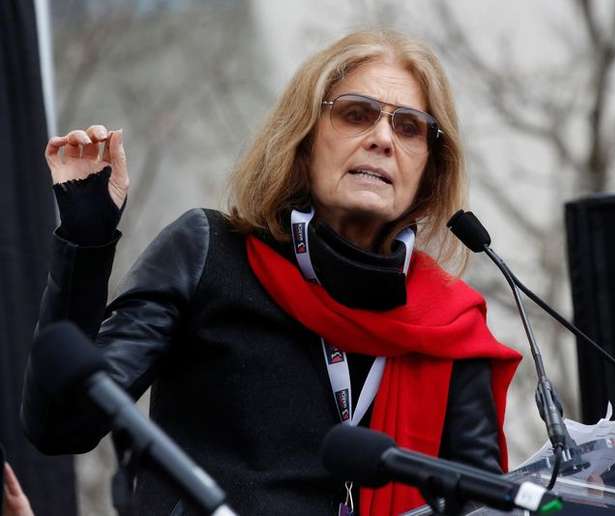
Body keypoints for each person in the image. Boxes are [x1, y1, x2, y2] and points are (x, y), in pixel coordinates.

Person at [22, 30, 521, 515]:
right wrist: (85, 243)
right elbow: (62, 425)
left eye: (409, 127)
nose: (382, 139)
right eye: (356, 114)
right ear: (302, 140)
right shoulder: (207, 252)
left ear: (430, 171)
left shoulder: (450, 324)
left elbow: (482, 504)